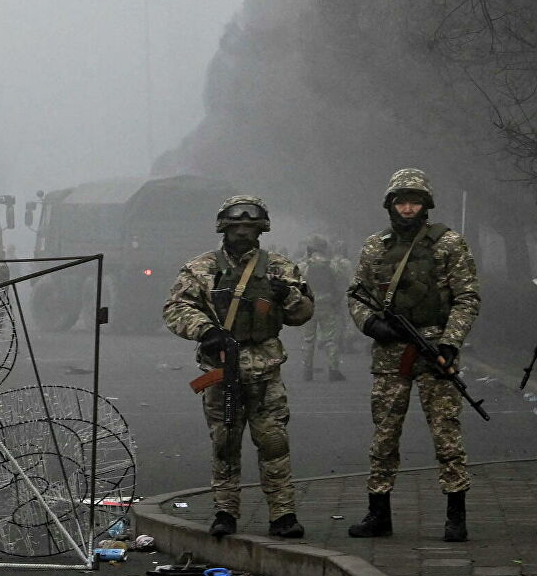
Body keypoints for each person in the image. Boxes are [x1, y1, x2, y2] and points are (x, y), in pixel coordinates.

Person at [162, 195, 313, 540]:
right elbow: (175, 309)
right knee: (225, 444)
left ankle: (283, 514)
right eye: (236, 226)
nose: (243, 233)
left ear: (261, 229)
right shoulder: (200, 269)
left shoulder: (280, 269)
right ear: (224, 228)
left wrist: (286, 296)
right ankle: (225, 512)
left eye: (250, 227)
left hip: (265, 370)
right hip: (221, 370)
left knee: (273, 442)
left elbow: (303, 314)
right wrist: (207, 330)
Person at [344, 170, 481, 542]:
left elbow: (467, 298)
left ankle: (456, 514)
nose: (407, 208)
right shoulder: (376, 246)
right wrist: (372, 325)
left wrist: (451, 342)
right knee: (384, 435)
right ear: (390, 204)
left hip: (435, 349)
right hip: (390, 354)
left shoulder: (449, 244)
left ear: (426, 204)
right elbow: (357, 295)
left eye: (414, 201)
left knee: (446, 434)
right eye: (401, 201)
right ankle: (378, 513)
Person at [299, 235, 349, 382]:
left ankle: (307, 371)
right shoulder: (332, 265)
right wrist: (337, 301)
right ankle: (333, 370)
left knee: (308, 340)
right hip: (327, 305)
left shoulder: (304, 266)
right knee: (331, 340)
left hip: (308, 306)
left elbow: (296, 286)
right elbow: (341, 285)